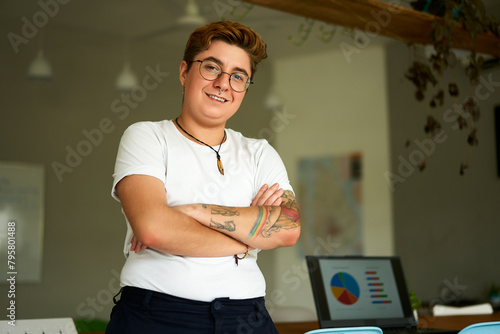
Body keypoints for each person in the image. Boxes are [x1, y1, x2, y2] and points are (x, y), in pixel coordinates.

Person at [105, 20, 301, 334]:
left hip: (247, 317)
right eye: (212, 67)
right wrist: (250, 239)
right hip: (159, 316)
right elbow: (153, 229)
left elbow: (288, 228)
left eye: (238, 76)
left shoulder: (260, 152)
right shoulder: (148, 137)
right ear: (185, 72)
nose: (224, 83)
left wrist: (192, 211)